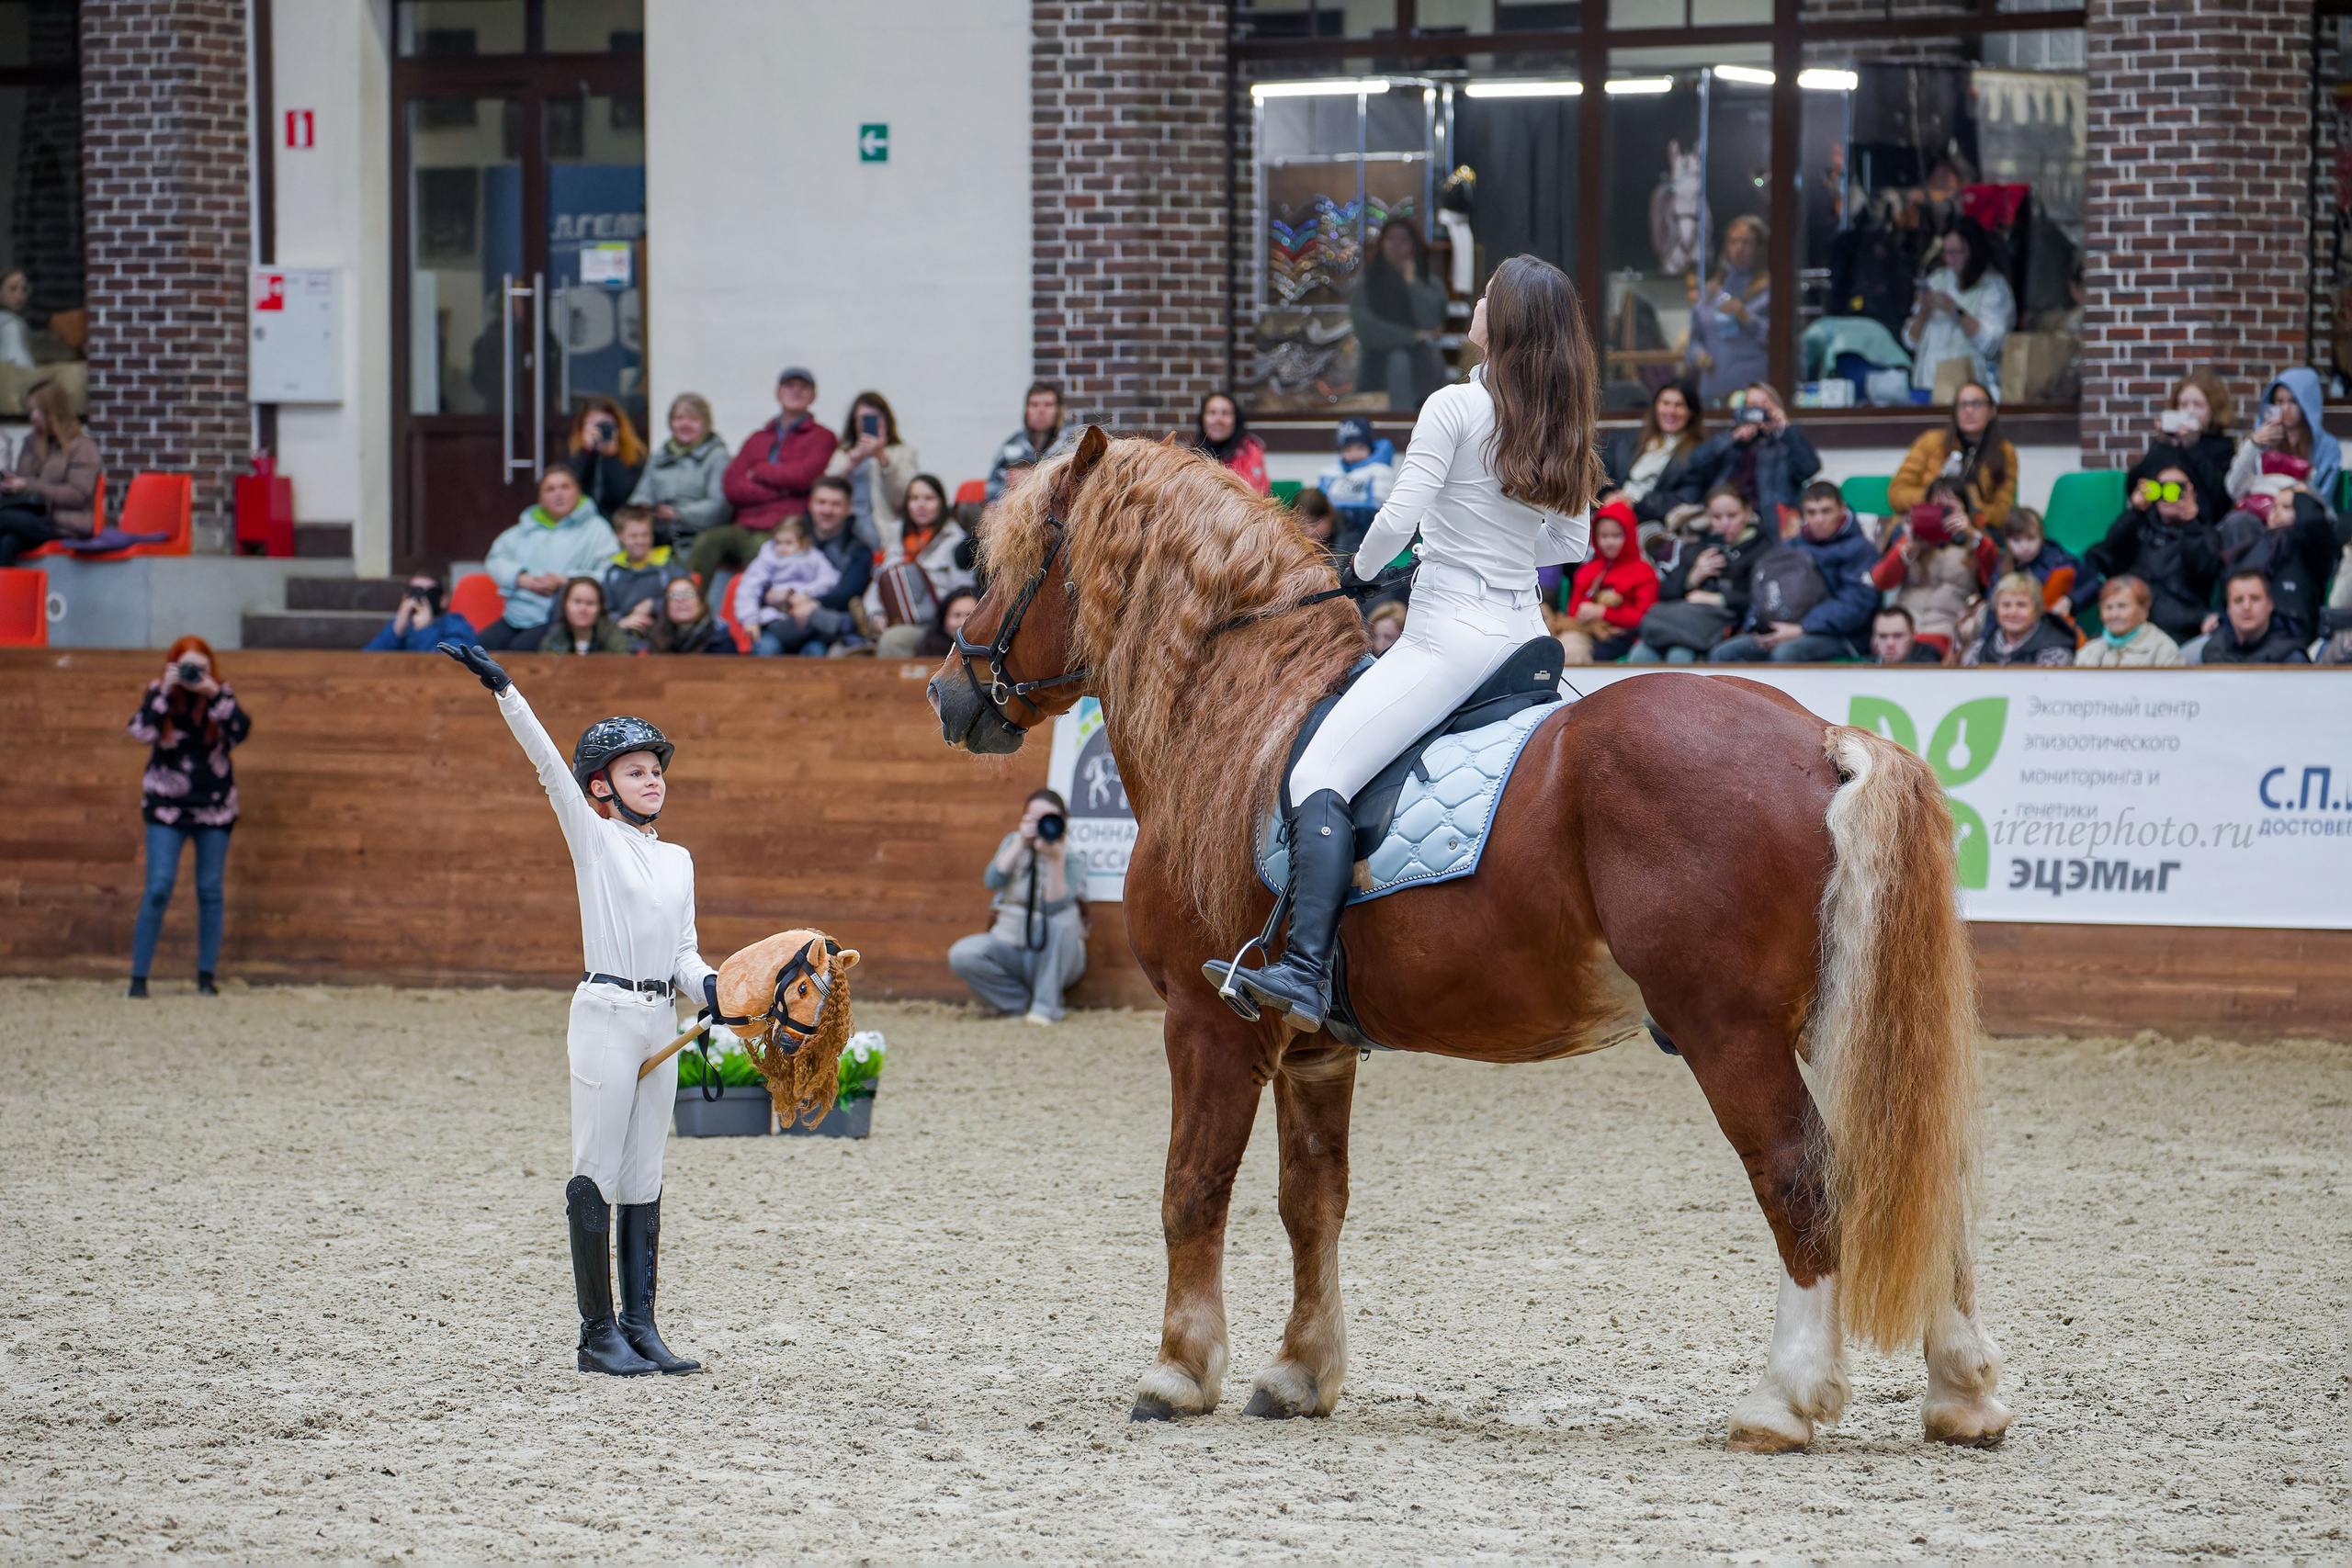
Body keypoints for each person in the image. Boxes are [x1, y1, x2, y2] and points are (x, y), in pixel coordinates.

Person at [1228, 254, 1599, 1032]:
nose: (1476, 303)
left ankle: (1302, 971)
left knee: (1319, 772)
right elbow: (1569, 541)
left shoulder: (1452, 407)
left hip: (1450, 636)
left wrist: (1361, 569)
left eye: (1487, 295)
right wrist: (1496, 547)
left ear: (1505, 321)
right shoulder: (1560, 416)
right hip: (1527, 638)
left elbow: (1397, 520)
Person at [435, 641, 715, 1378]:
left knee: (646, 1172)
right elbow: (546, 765)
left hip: (661, 1017)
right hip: (605, 1014)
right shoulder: (593, 837)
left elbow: (685, 949)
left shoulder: (679, 858)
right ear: (601, 787)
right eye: (635, 771)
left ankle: (641, 1323)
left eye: (656, 771)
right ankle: (596, 1334)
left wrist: (712, 985)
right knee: (595, 1168)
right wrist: (506, 690)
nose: (652, 780)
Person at [125, 637, 251, 999]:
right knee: (159, 886)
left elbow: (240, 732)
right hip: (166, 807)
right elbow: (141, 732)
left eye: (201, 668)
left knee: (210, 890)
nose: (193, 675)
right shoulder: (161, 694)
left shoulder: (219, 697)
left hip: (215, 807)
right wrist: (165, 690)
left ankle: (206, 977)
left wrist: (215, 694)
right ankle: (139, 979)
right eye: (187, 668)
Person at [947, 790, 1090, 1026]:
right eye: (1034, 819)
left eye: (1049, 819)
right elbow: (992, 880)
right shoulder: (1013, 843)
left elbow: (1054, 905)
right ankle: (1020, 1004)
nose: (1041, 826)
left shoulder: (1072, 857)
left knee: (1064, 920)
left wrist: (1055, 860)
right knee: (962, 954)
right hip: (1010, 945)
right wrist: (1020, 842)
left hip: (1056, 957)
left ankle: (1045, 1009)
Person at [1709, 480, 1881, 663]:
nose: (1819, 519)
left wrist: (1802, 628)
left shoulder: (1861, 550)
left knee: (1784, 654)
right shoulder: (1791, 546)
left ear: (1842, 509)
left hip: (1840, 635)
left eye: (1826, 511)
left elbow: (1856, 604)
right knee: (1723, 653)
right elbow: (1765, 589)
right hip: (1784, 629)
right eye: (1811, 512)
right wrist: (1758, 626)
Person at [696, 367, 835, 583]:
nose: (796, 391)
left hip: (784, 527)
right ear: (778, 393)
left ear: (813, 396)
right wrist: (783, 488)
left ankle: (755, 615)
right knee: (708, 541)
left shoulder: (823, 437)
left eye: (803, 387)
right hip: (744, 525)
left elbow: (803, 477)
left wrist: (760, 470)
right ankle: (689, 607)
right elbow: (732, 486)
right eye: (789, 386)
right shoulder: (757, 438)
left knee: (762, 551)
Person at [1627, 484, 1772, 663]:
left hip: (1723, 627)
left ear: (1747, 512)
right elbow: (1665, 592)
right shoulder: (1699, 546)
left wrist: (1721, 599)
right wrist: (1692, 577)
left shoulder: (1763, 550)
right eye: (1717, 517)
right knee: (1640, 654)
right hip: (1685, 623)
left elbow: (1764, 599)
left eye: (1732, 516)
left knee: (1679, 655)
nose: (1724, 523)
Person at [480, 468, 619, 650]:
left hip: (560, 618)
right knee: (478, 650)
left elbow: (611, 571)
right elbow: (496, 558)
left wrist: (569, 582)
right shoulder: (525, 528)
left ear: (578, 491)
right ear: (540, 498)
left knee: (519, 651)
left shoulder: (597, 529)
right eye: (550, 489)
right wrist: (521, 579)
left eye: (565, 487)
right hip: (517, 613)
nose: (558, 494)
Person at [2083, 465, 2221, 645]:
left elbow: (2204, 569)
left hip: (2179, 627)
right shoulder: (2138, 527)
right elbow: (2105, 554)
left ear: (2190, 494)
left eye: (2175, 489)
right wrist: (2135, 512)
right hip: (2131, 625)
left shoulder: (2204, 534)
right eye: (2159, 488)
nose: (2166, 495)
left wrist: (2190, 525)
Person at [1867, 477, 1997, 657]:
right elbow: (1880, 581)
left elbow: (1994, 577)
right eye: (1935, 508)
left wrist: (1972, 535)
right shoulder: (1911, 541)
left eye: (1949, 508)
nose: (1942, 514)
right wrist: (1909, 548)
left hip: (1946, 625)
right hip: (1904, 626)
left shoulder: (1975, 542)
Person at [1902, 216, 2014, 400]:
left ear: (1973, 249)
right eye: (1947, 253)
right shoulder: (1937, 280)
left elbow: (1991, 344)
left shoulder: (1993, 287)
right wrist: (1924, 310)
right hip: (1927, 384)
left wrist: (1956, 311)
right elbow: (1910, 341)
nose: (1951, 260)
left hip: (1968, 389)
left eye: (1957, 252)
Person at [1887, 381, 2017, 531]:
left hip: (1973, 526)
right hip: (1927, 521)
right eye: (1962, 405)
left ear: (1992, 410)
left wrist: (1970, 504)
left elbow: (2004, 512)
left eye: (1976, 404)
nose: (1969, 410)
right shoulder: (1930, 441)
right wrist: (1932, 497)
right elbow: (1896, 494)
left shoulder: (2004, 451)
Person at [1351, 217, 1450, 412]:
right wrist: (1412, 335)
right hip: (1377, 369)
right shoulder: (1367, 285)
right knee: (1399, 360)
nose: (1397, 246)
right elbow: (1367, 329)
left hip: (1425, 366)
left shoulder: (1430, 285)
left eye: (1404, 240)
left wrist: (1411, 281)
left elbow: (1432, 320)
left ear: (1415, 245)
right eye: (1390, 239)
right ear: (1381, 244)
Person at [1684, 380, 1820, 522]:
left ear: (1777, 408)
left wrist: (1787, 429)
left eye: (1764, 404)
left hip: (1774, 523)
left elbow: (1810, 468)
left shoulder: (1785, 443)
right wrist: (1732, 438)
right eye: (1752, 405)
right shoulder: (1732, 442)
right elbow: (1695, 462)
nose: (1758, 411)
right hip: (1732, 522)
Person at [0, 378, 100, 565]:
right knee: (8, 542)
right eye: (30, 411)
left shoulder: (83, 447)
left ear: (52, 410)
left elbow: (77, 495)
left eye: (36, 410)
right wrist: (11, 485)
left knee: (3, 519)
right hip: (31, 519)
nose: (32, 417)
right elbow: (24, 483)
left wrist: (30, 485)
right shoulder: (32, 442)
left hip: (65, 525)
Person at [2127, 367, 2235, 524]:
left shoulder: (2221, 446)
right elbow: (2134, 484)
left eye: (2198, 405)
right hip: (2158, 523)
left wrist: (2193, 447)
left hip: (2200, 525)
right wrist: (2161, 443)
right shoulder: (2167, 445)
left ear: (2213, 410)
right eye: (2183, 404)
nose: (2189, 411)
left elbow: (2220, 497)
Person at [627, 392, 732, 553]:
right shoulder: (659, 456)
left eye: (693, 419)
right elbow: (642, 494)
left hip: (696, 533)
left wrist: (678, 513)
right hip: (657, 530)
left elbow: (719, 506)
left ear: (706, 424)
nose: (684, 424)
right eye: (678, 418)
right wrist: (641, 510)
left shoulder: (717, 457)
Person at [1599, 378, 1711, 528]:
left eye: (1679, 405)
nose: (1670, 411)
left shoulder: (1699, 452)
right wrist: (1607, 494)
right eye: (1665, 403)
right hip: (1613, 510)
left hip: (1650, 521)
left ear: (1691, 412)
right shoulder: (1633, 438)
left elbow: (1686, 496)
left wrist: (1635, 504)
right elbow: (1606, 471)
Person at [1556, 502, 1657, 664]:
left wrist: (1603, 612)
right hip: (1587, 631)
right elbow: (1574, 609)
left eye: (1616, 536)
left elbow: (1646, 617)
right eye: (1603, 536)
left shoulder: (1643, 572)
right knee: (1569, 646)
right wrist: (1587, 614)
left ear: (1630, 535)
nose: (1609, 542)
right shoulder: (1587, 570)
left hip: (1627, 638)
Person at [2225, 368, 2342, 509]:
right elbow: (2234, 489)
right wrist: (2252, 445)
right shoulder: (2262, 439)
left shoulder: (2326, 447)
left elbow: (2323, 499)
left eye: (2293, 401)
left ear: (2308, 404)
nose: (2285, 409)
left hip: (2302, 515)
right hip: (2262, 512)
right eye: (2279, 401)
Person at [823, 390, 920, 555]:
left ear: (886, 420)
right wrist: (851, 464)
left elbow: (905, 498)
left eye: (874, 418)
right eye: (863, 419)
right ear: (854, 422)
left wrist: (883, 458)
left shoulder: (903, 452)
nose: (869, 424)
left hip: (882, 530)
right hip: (844, 527)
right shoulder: (843, 455)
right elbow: (825, 493)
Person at [1687, 215, 1770, 404]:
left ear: (1759, 248)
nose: (1739, 248)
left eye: (1747, 242)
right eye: (1733, 242)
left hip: (1752, 389)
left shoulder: (1770, 290)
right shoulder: (1711, 291)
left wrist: (1745, 316)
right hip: (1713, 387)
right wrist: (1699, 355)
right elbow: (1694, 340)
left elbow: (1777, 339)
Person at [735, 513, 842, 657]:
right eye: (778, 542)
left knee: (817, 651)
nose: (782, 548)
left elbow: (831, 580)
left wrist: (804, 594)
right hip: (774, 620)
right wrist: (749, 619)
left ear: (804, 543)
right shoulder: (768, 559)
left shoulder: (814, 557)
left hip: (806, 624)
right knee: (766, 649)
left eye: (788, 543)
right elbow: (749, 586)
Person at [1995, 506, 2099, 623]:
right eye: (2017, 540)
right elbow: (1993, 603)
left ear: (2041, 535)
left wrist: (2070, 599)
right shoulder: (2003, 564)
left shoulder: (2060, 560)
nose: (2025, 547)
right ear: (2006, 541)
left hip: (2051, 626)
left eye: (2031, 538)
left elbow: (2094, 582)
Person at [1317, 417, 1398, 556]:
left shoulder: (1379, 471)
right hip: (1334, 532)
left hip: (1367, 532)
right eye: (1348, 449)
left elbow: (1383, 507)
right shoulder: (1331, 472)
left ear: (1369, 447)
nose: (1354, 454)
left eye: (1360, 447)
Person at [604, 506, 684, 649]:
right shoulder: (613, 572)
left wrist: (653, 605)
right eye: (634, 536)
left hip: (664, 639)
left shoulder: (668, 566)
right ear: (619, 536)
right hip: (624, 640)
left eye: (645, 535)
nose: (640, 541)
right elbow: (603, 612)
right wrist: (622, 622)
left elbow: (687, 598)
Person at [1961, 572, 2075, 667]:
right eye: (2006, 605)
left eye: (2021, 605)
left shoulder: (2055, 653)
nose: (2013, 612)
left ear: (2037, 609)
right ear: (1996, 609)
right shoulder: (1979, 649)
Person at [987, 383, 1078, 502]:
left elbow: (1076, 487)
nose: (1041, 411)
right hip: (1014, 511)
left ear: (1058, 411)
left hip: (1056, 514)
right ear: (1026, 411)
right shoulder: (1012, 446)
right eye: (1034, 405)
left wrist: (1032, 477)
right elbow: (992, 490)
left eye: (1048, 405)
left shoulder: (1070, 445)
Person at [2199, 570, 2311, 664]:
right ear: (2228, 608)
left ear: (2270, 604)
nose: (2246, 607)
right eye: (2238, 600)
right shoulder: (2213, 651)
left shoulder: (2291, 656)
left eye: (2255, 599)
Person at [2075, 576, 2184, 668]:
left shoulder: (2163, 649)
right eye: (2108, 607)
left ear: (2143, 611)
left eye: (2122, 606)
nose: (2114, 614)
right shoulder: (2089, 652)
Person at [567, 396, 647, 521]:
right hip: (583, 524)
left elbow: (623, 496)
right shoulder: (578, 455)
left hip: (620, 525)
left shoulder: (634, 456)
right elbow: (570, 486)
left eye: (604, 425)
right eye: (593, 425)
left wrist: (611, 454)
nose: (599, 431)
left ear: (618, 426)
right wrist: (585, 452)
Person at [364, 573, 482, 652]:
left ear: (443, 599)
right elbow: (366, 660)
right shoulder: (401, 627)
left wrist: (425, 630)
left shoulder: (456, 625)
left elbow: (450, 665)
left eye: (428, 593)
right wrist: (396, 630)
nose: (420, 598)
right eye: (414, 592)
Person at [1193, 391, 1269, 494]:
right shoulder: (1192, 454)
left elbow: (1253, 497)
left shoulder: (1249, 451)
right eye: (1212, 413)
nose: (1218, 420)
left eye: (1225, 413)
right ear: (1202, 419)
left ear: (1235, 419)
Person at [538, 576, 631, 656]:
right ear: (565, 605)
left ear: (600, 607)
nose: (582, 610)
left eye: (590, 603)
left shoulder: (614, 637)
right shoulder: (554, 637)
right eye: (577, 602)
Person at [649, 576, 738, 656]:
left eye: (688, 594)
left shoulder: (719, 638)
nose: (681, 600)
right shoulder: (655, 636)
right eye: (673, 595)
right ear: (666, 606)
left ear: (701, 602)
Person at [1871, 605, 1943, 665]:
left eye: (1897, 636)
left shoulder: (1928, 659)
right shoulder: (1865, 668)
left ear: (1913, 635)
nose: (1890, 643)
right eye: (1883, 636)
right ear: (1874, 639)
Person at [0, 267, 35, 369]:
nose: (20, 295)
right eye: (13, 289)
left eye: (24, 289)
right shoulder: (10, 326)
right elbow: (21, 367)